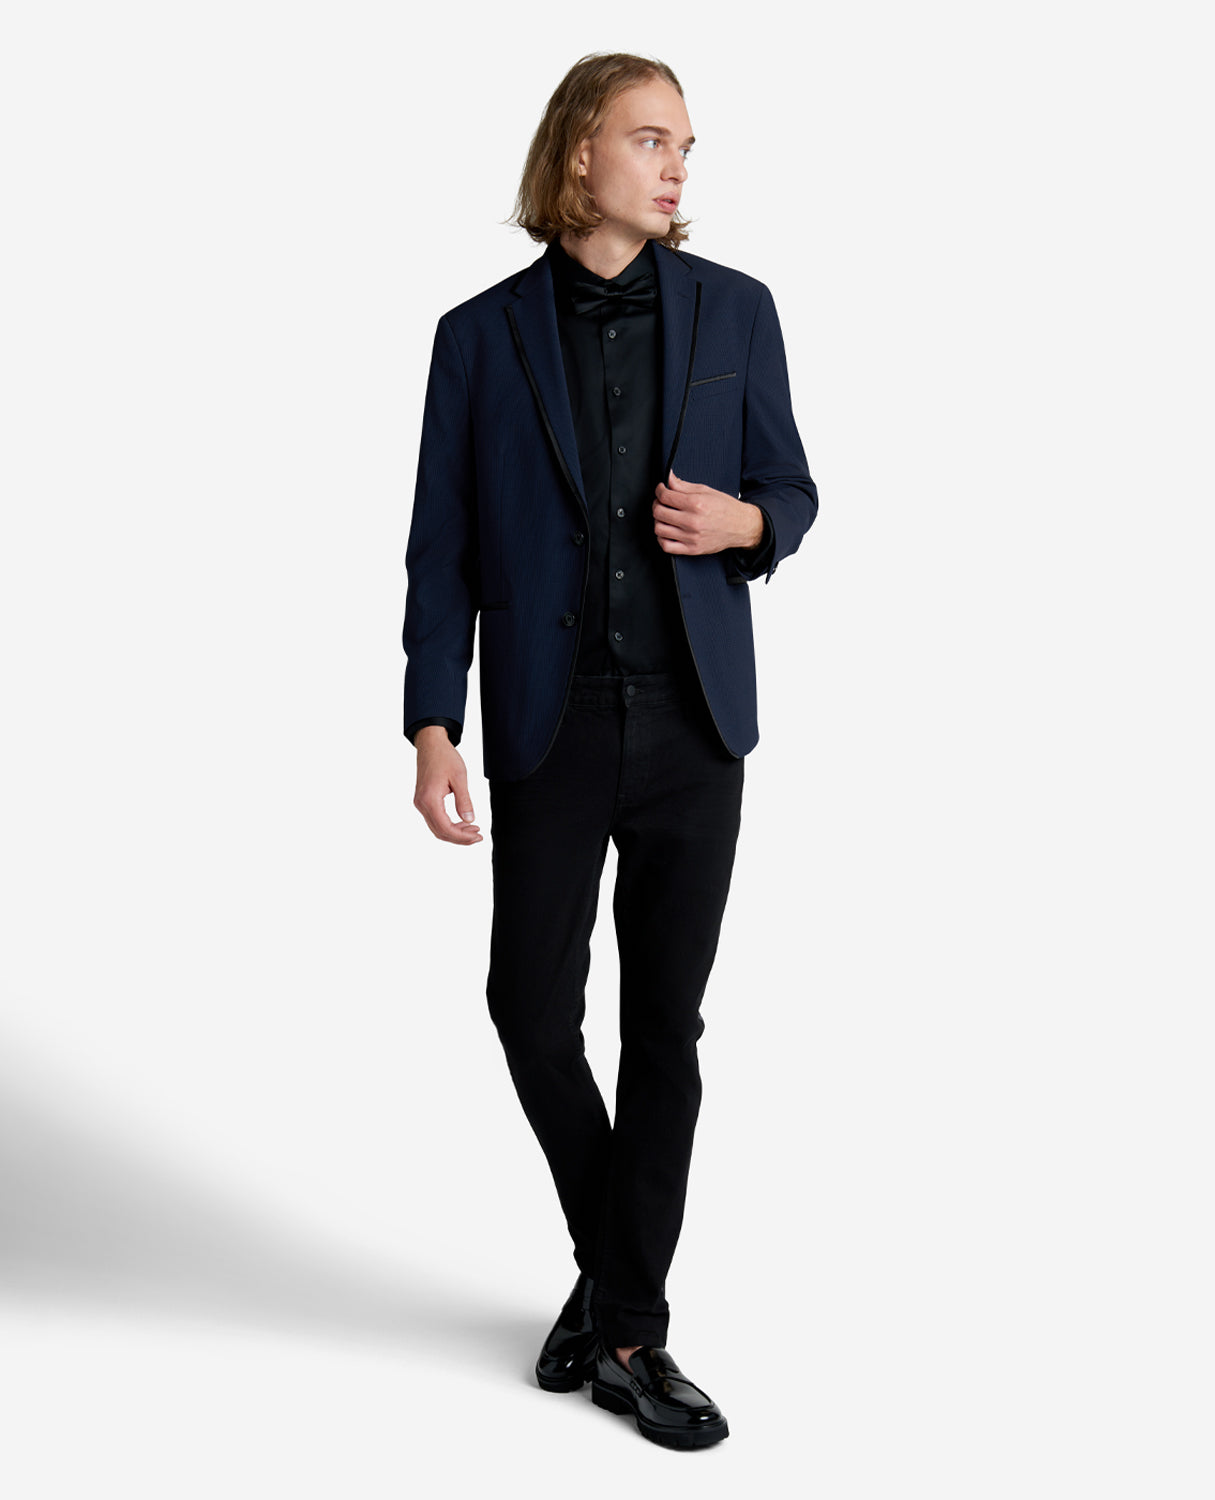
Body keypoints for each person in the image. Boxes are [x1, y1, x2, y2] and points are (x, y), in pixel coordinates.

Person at [401, 51, 817, 1450]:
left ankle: (624, 1329)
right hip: (550, 719)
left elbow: (793, 488)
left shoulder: (736, 312)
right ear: (581, 150)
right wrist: (432, 719)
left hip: (696, 722)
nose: (677, 165)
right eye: (651, 138)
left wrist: (747, 526)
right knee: (530, 1005)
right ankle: (625, 1281)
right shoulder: (478, 338)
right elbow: (442, 546)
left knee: (665, 1028)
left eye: (686, 145)